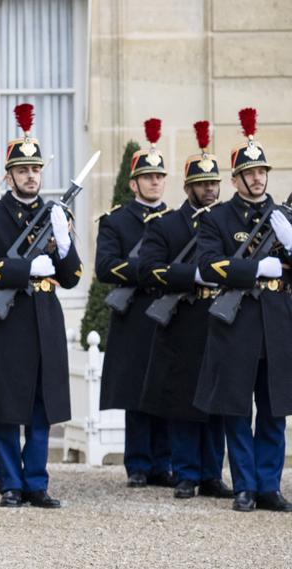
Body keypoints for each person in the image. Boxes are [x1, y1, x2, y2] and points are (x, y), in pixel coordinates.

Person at [0, 103, 83, 509]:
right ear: (9, 175)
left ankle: (36, 482)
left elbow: (72, 277)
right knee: (4, 409)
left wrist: (64, 246)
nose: (31, 175)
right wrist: (26, 267)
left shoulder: (55, 213)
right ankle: (11, 483)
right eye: (23, 170)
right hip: (8, 319)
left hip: (44, 318)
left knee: (40, 410)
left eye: (36, 169)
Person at [194, 107, 292, 513]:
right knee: (237, 407)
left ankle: (269, 485)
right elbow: (207, 265)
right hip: (238, 320)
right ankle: (245, 486)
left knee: (274, 408)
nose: (257, 178)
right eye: (249, 173)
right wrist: (257, 267)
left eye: (261, 172)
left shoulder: (284, 218)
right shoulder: (217, 217)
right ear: (234, 179)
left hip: (277, 319)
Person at [137, 121, 232, 501]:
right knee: (183, 401)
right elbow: (148, 270)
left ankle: (212, 473)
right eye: (202, 184)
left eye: (214, 183)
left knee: (217, 399)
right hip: (183, 319)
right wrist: (191, 274)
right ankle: (187, 473)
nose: (209, 189)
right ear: (188, 187)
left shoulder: (228, 221)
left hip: (221, 318)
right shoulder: (167, 225)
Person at [96, 118, 174, 489]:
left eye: (159, 176)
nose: (155, 182)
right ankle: (139, 464)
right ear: (133, 183)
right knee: (136, 390)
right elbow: (106, 266)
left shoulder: (176, 220)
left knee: (165, 388)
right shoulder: (117, 221)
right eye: (148, 177)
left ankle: (164, 463)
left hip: (169, 313)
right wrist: (151, 271)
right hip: (135, 312)